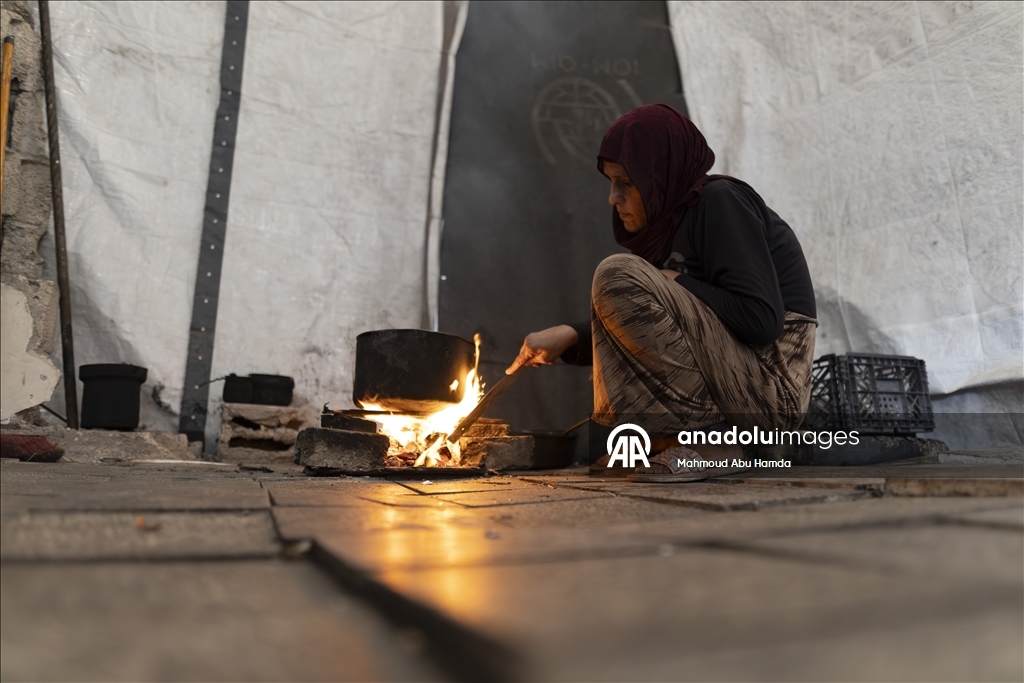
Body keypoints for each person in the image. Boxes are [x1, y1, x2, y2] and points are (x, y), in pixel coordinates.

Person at [505, 104, 818, 481]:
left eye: (626, 183)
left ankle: (714, 444)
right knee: (617, 296)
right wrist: (571, 335)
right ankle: (662, 442)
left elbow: (760, 321)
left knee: (618, 271)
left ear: (659, 176)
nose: (613, 198)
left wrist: (676, 280)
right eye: (610, 182)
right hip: (735, 381)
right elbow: (678, 325)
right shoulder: (668, 227)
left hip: (770, 397)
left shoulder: (719, 202)